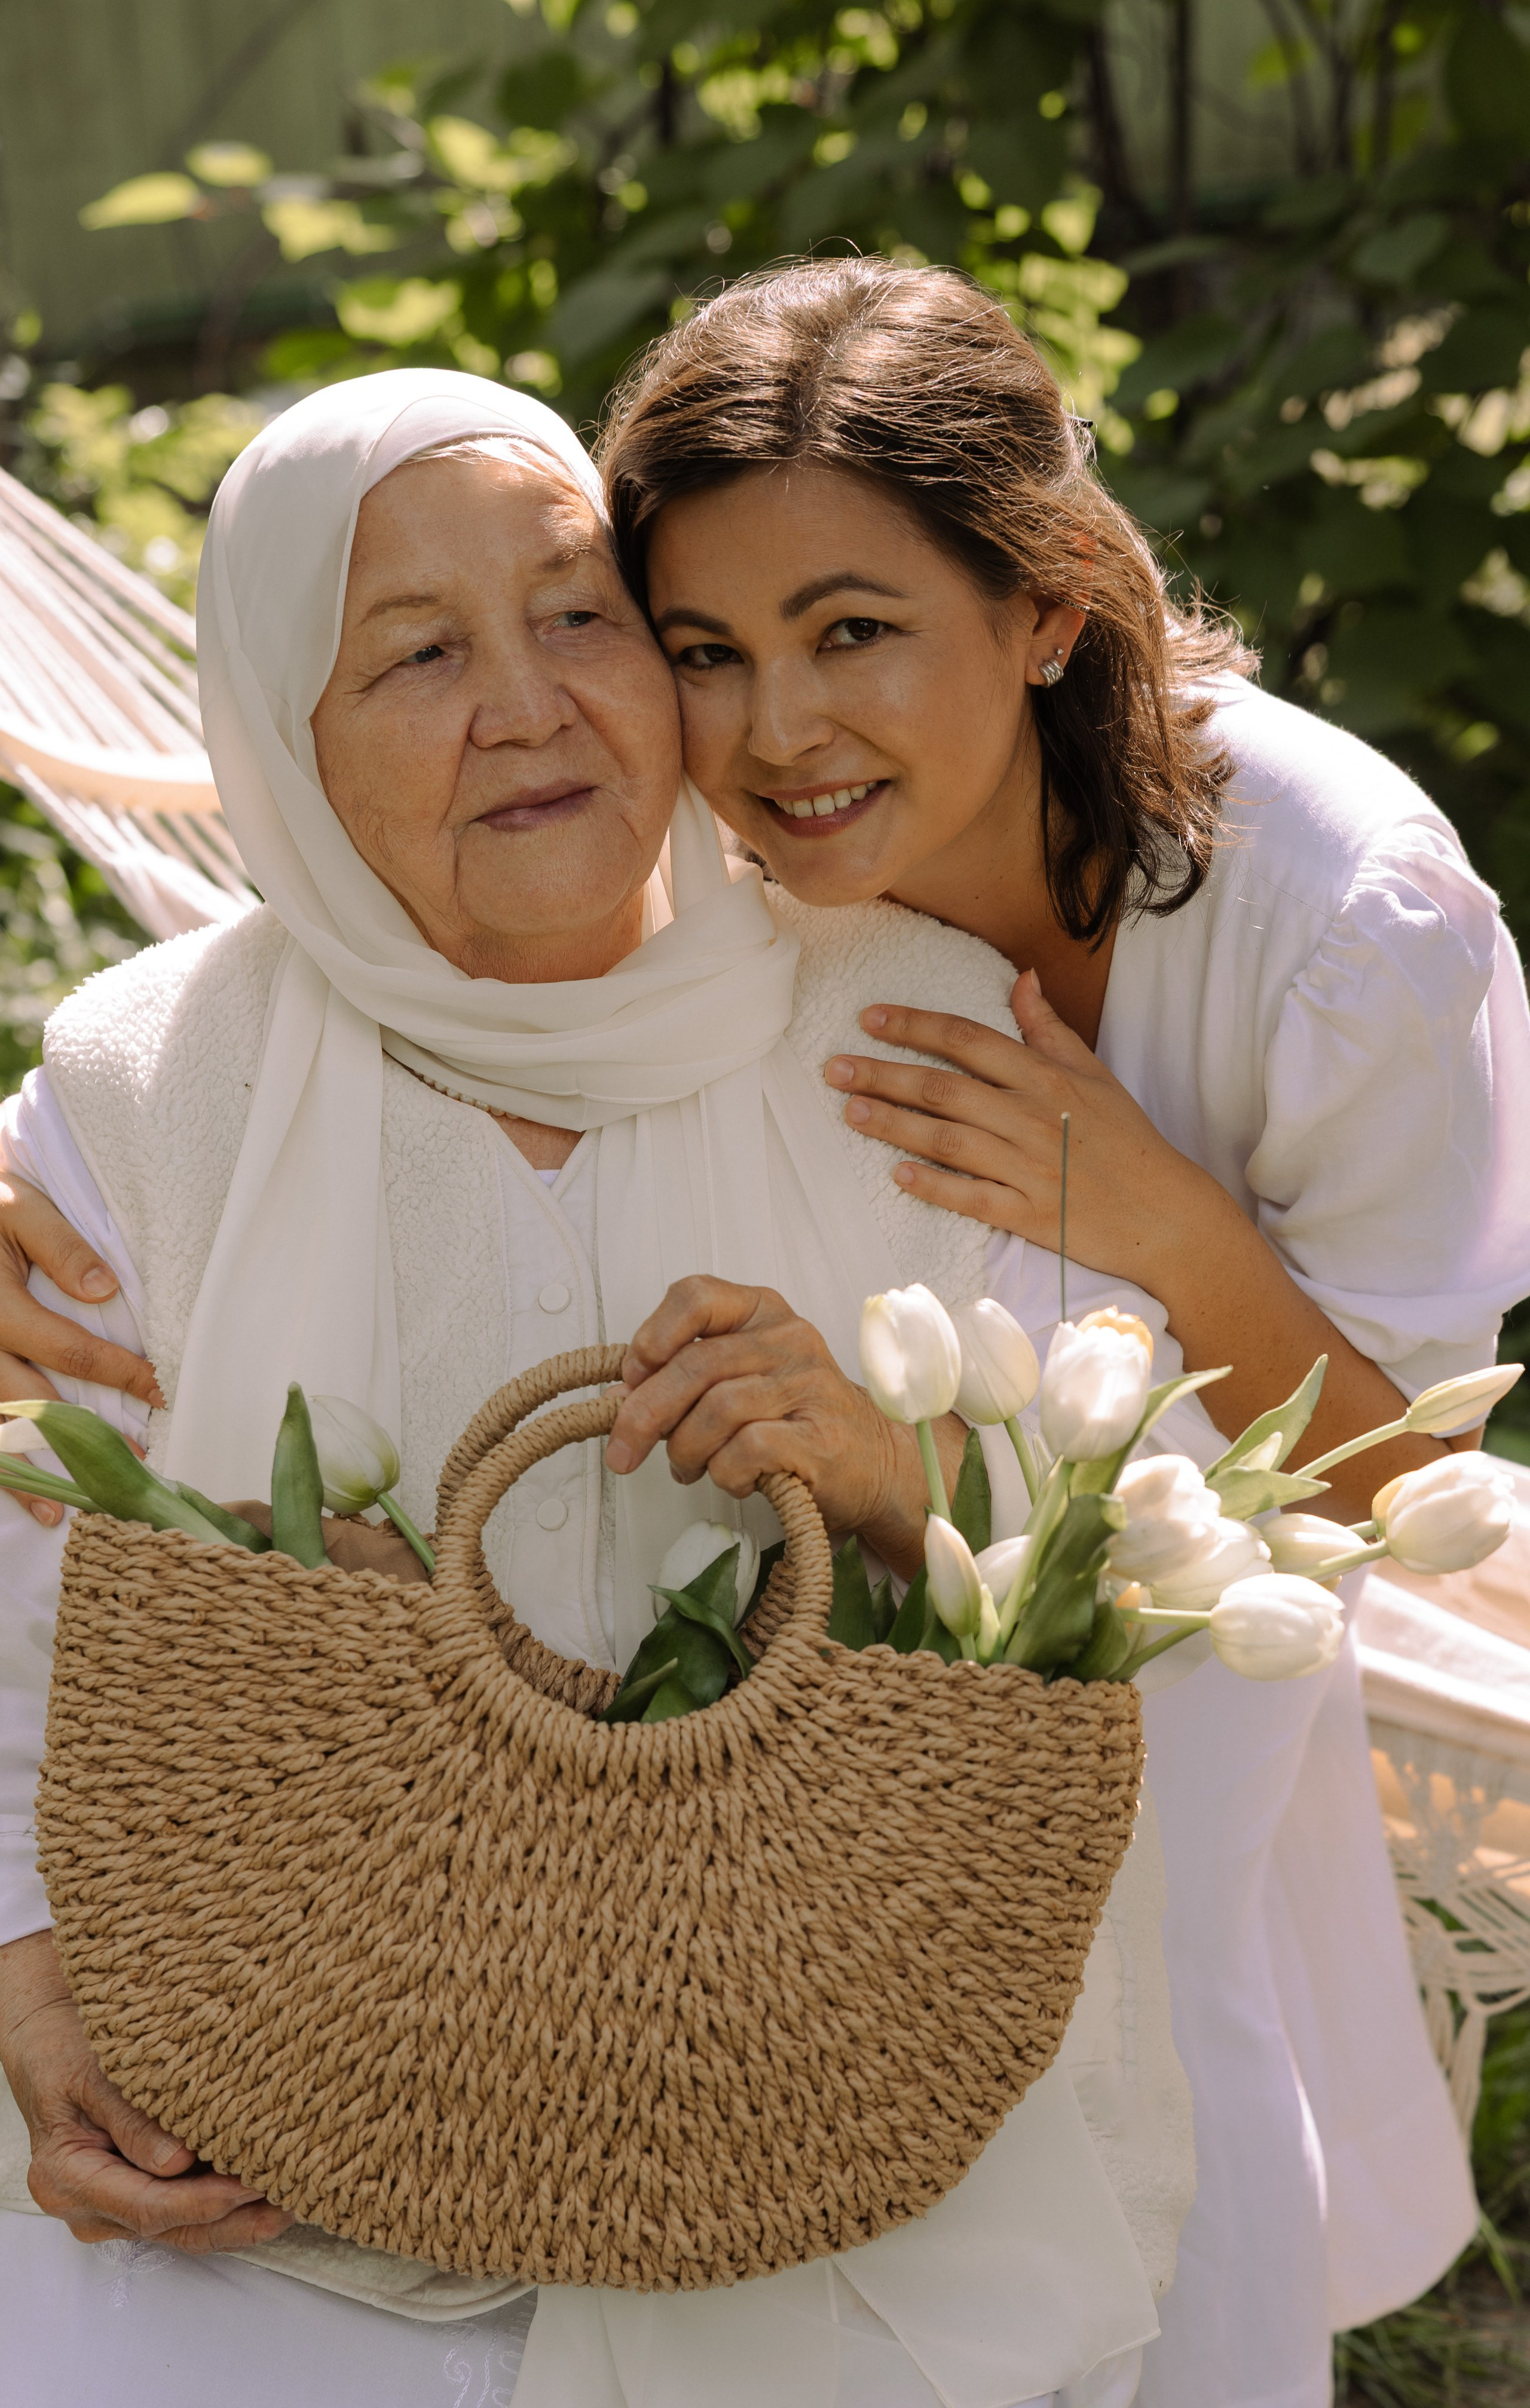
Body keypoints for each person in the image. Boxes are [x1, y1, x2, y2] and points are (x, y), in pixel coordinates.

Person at [0, 367, 1202, 2408]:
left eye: (579, 615)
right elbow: (23, 1614)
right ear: (283, 733)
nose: (529, 706)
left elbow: (1145, 1524)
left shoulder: (914, 1026)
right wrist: (32, 1981)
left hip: (847, 2127)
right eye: (417, 655)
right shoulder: (141, 1090)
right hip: (281, 2149)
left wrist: (896, 1468)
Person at [583, 257, 1530, 2408]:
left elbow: (1404, 1486)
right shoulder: (715, 845)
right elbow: (397, 924)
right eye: (706, 652)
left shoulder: (1350, 926)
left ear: (1045, 609)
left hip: (1230, 1545)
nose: (774, 734)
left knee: (1144, 1905)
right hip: (809, 1539)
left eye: (853, 631)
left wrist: (1162, 1219)